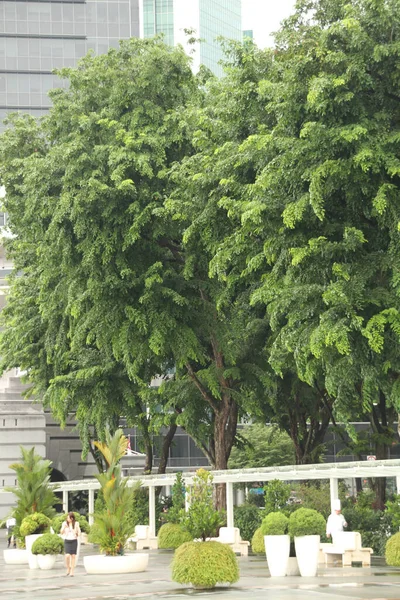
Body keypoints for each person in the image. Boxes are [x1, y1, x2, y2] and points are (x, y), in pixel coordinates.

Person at [60, 512, 81, 576]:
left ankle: (72, 571)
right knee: (67, 555)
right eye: (67, 518)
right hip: (67, 541)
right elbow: (61, 532)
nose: (67, 519)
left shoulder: (76, 524)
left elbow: (79, 533)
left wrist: (76, 532)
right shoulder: (64, 523)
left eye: (68, 518)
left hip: (74, 541)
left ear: (72, 518)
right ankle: (68, 567)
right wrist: (64, 527)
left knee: (73, 556)